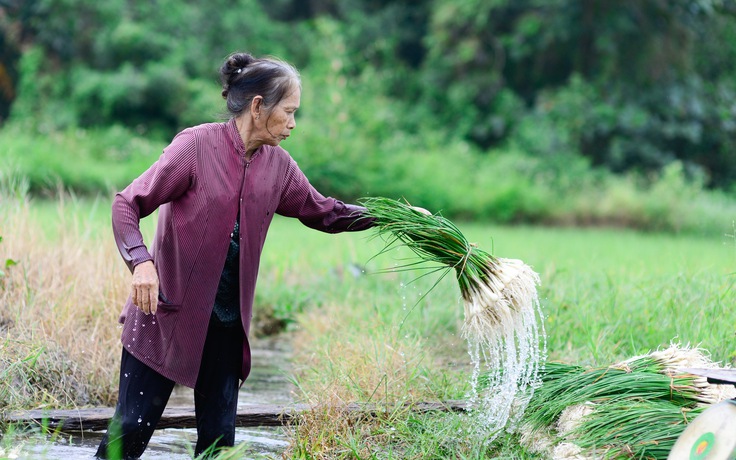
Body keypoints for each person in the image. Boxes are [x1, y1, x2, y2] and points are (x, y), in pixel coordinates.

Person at [95, 52, 378, 459]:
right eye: (289, 112)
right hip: (165, 318)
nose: (294, 124)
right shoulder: (194, 147)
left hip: (227, 330)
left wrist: (389, 216)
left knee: (218, 446)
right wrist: (141, 262)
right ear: (259, 106)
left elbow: (324, 212)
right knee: (129, 437)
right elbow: (126, 203)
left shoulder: (279, 168)